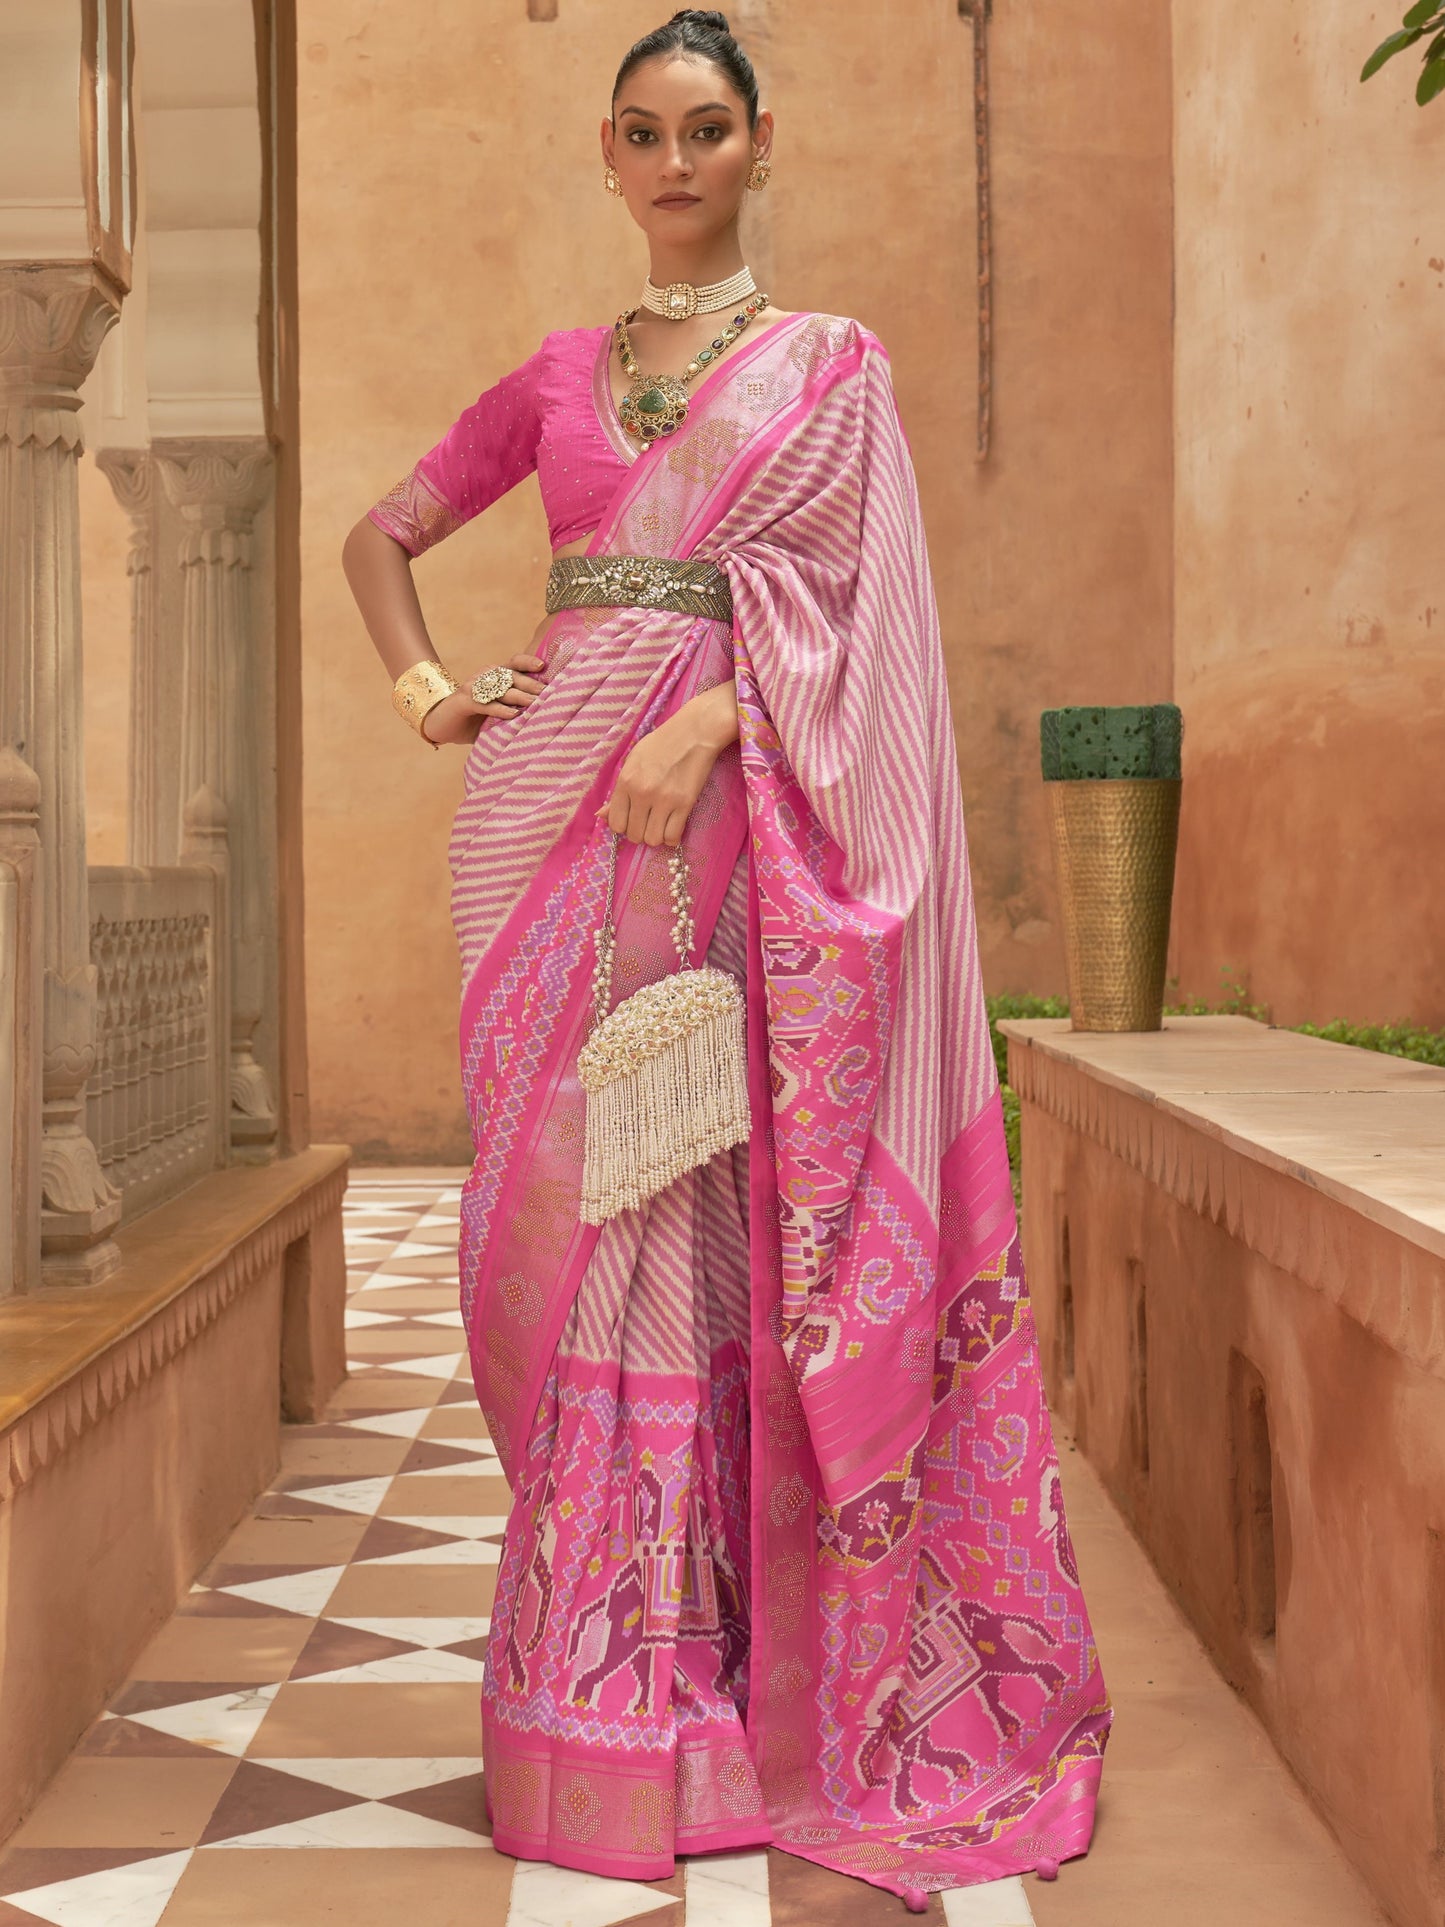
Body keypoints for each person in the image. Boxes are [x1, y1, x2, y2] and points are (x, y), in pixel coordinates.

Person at [340, 10, 1109, 1910]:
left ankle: (708, 1692)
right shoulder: (555, 372)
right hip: (546, 833)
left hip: (735, 827)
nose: (672, 161)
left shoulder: (827, 370)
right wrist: (439, 697)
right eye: (639, 131)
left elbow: (865, 627)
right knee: (564, 1225)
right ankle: (597, 1679)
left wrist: (715, 716)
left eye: (703, 127)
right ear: (607, 158)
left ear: (763, 143)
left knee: (700, 1218)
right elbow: (382, 535)